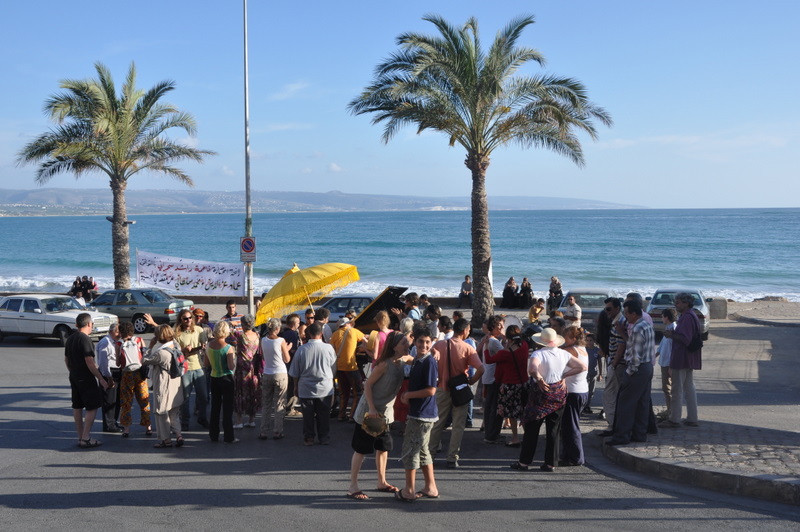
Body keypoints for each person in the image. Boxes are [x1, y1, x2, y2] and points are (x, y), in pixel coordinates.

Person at [347, 330, 414, 500]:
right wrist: (371, 408)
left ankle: (381, 482)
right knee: (361, 449)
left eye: (407, 342)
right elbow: (368, 385)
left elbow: (420, 359)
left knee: (383, 448)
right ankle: (353, 486)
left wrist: (433, 353)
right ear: (394, 347)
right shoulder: (384, 364)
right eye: (403, 343)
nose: (407, 345)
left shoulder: (403, 359)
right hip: (369, 413)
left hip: (385, 414)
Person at [511, 328, 586, 472]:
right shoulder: (564, 353)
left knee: (532, 428)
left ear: (541, 341)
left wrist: (539, 379)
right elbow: (582, 367)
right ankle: (550, 463)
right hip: (558, 393)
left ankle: (524, 462)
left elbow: (532, 370)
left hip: (540, 394)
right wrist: (564, 376)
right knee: (553, 430)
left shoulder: (538, 354)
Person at [428, 318, 484, 468]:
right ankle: (452, 457)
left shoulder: (439, 345)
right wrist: (471, 381)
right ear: (465, 330)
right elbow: (481, 369)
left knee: (437, 424)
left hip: (442, 388)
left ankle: (430, 455)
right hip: (460, 389)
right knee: (458, 425)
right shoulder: (467, 348)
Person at [395, 327, 439, 502]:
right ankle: (430, 487)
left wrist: (408, 395)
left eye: (428, 342)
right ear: (415, 341)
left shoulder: (429, 362)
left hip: (422, 414)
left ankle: (409, 490)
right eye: (421, 341)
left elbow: (431, 390)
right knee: (422, 450)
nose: (424, 345)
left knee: (410, 451)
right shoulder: (419, 360)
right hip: (420, 412)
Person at [606, 300, 655, 445]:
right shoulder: (646, 325)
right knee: (642, 403)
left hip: (638, 369)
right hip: (647, 366)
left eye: (627, 314)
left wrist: (629, 372)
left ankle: (622, 436)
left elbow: (635, 354)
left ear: (634, 314)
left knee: (625, 403)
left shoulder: (637, 328)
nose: (626, 316)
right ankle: (639, 434)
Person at [65, 312, 111, 448]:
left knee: (77, 406)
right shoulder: (85, 339)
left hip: (74, 375)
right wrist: (101, 379)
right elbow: (89, 361)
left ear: (77, 324)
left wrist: (72, 371)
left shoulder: (71, 338)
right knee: (92, 406)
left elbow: (66, 359)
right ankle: (86, 438)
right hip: (85, 377)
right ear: (89, 324)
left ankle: (80, 436)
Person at [289, 322, 337, 445]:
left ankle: (309, 438)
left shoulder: (301, 349)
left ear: (309, 334)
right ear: (321, 334)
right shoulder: (329, 348)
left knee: (308, 415)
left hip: (306, 387)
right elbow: (333, 369)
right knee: (324, 414)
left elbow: (295, 372)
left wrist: (295, 386)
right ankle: (324, 437)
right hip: (325, 387)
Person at [661, 293, 702, 428]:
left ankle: (674, 419)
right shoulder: (691, 315)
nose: (676, 305)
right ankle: (692, 418)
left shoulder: (686, 317)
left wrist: (671, 335)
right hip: (689, 357)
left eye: (678, 302)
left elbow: (685, 339)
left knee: (677, 388)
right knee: (689, 387)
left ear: (686, 303)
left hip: (682, 357)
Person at [485, 324, 528, 447]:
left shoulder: (505, 353)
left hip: (509, 385)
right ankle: (528, 435)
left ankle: (515, 438)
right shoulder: (524, 346)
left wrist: (487, 346)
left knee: (512, 413)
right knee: (523, 410)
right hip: (523, 382)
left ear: (508, 338)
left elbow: (489, 359)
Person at [143, 324, 185, 448]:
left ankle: (165, 439)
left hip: (163, 384)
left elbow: (144, 360)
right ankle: (178, 435)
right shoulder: (176, 346)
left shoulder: (161, 353)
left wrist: (150, 346)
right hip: (176, 382)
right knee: (174, 412)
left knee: (161, 412)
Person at [174, 310, 208, 431]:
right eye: (185, 318)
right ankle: (185, 422)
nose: (188, 320)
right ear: (181, 320)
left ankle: (202, 418)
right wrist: (184, 350)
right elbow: (175, 352)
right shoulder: (177, 334)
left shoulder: (198, 330)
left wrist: (203, 346)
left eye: (190, 318)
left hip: (199, 366)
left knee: (204, 396)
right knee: (186, 397)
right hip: (185, 368)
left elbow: (205, 345)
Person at [116, 321, 151, 438]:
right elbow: (145, 355)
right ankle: (148, 426)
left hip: (126, 375)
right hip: (140, 374)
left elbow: (118, 363)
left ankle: (126, 429)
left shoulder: (119, 344)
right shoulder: (139, 340)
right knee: (144, 400)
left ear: (121, 331)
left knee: (126, 402)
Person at [205, 320, 237, 443]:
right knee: (227, 409)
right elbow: (230, 366)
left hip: (214, 377)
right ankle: (229, 436)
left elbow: (206, 364)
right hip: (226, 378)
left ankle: (213, 435)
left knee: (215, 407)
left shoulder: (209, 346)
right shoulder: (228, 348)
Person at [560, 327, 589, 464]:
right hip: (581, 391)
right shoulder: (582, 349)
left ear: (573, 339)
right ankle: (568, 455)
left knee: (571, 426)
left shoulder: (570, 350)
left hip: (573, 392)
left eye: (565, 336)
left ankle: (576, 457)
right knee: (569, 425)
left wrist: (564, 375)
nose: (563, 339)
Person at [259, 318, 291, 439]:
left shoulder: (263, 340)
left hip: (267, 372)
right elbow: (287, 359)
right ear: (277, 328)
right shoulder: (281, 340)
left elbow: (264, 356)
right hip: (280, 373)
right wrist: (287, 349)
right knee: (279, 403)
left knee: (266, 403)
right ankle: (277, 430)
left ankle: (263, 430)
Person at [331, 317, 367, 422]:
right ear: (348, 324)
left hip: (339, 367)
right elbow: (366, 340)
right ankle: (353, 416)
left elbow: (332, 349)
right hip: (351, 366)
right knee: (357, 392)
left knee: (343, 392)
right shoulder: (354, 331)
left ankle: (341, 415)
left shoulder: (335, 334)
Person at [478, 315, 506, 444]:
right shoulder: (494, 341)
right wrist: (506, 338)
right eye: (499, 325)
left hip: (488, 376)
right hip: (493, 377)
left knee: (490, 406)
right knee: (494, 407)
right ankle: (492, 435)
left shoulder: (489, 339)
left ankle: (490, 433)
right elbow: (506, 355)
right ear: (493, 326)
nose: (501, 327)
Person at [598, 297, 624, 436]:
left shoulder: (619, 323)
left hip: (616, 364)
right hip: (615, 363)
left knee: (610, 395)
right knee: (613, 395)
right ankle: (614, 425)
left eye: (609, 309)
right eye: (605, 309)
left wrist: (613, 364)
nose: (606, 311)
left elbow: (621, 346)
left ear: (617, 308)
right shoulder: (616, 322)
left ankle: (613, 426)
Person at [233, 314, 262, 430]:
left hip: (242, 369)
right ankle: (251, 419)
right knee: (252, 392)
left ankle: (239, 420)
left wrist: (232, 324)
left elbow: (228, 331)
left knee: (240, 393)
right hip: (253, 367)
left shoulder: (241, 336)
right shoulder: (257, 335)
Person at [95, 323, 122, 433]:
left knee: (116, 400)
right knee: (109, 400)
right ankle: (109, 425)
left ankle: (114, 422)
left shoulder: (117, 341)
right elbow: (103, 362)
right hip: (109, 372)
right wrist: (109, 377)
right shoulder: (105, 342)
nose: (119, 334)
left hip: (117, 371)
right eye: (117, 332)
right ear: (111, 332)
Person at [583, 333, 601, 415]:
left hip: (593, 373)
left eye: (591, 340)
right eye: (587, 340)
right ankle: (582, 406)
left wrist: (600, 374)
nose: (589, 342)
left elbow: (599, 362)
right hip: (585, 374)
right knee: (585, 390)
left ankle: (587, 406)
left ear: (594, 341)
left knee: (591, 391)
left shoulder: (597, 350)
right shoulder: (584, 350)